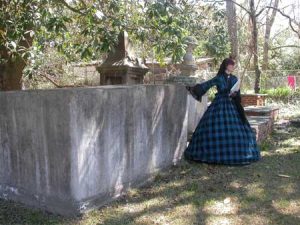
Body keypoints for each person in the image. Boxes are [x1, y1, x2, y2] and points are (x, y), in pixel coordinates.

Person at [185, 58, 260, 165]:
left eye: (233, 65)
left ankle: (238, 154)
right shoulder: (219, 78)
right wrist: (194, 89)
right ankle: (209, 154)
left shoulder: (235, 79)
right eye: (231, 65)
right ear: (226, 65)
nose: (233, 66)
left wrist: (234, 94)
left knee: (236, 129)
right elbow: (207, 84)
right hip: (219, 104)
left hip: (232, 104)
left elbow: (237, 92)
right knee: (212, 127)